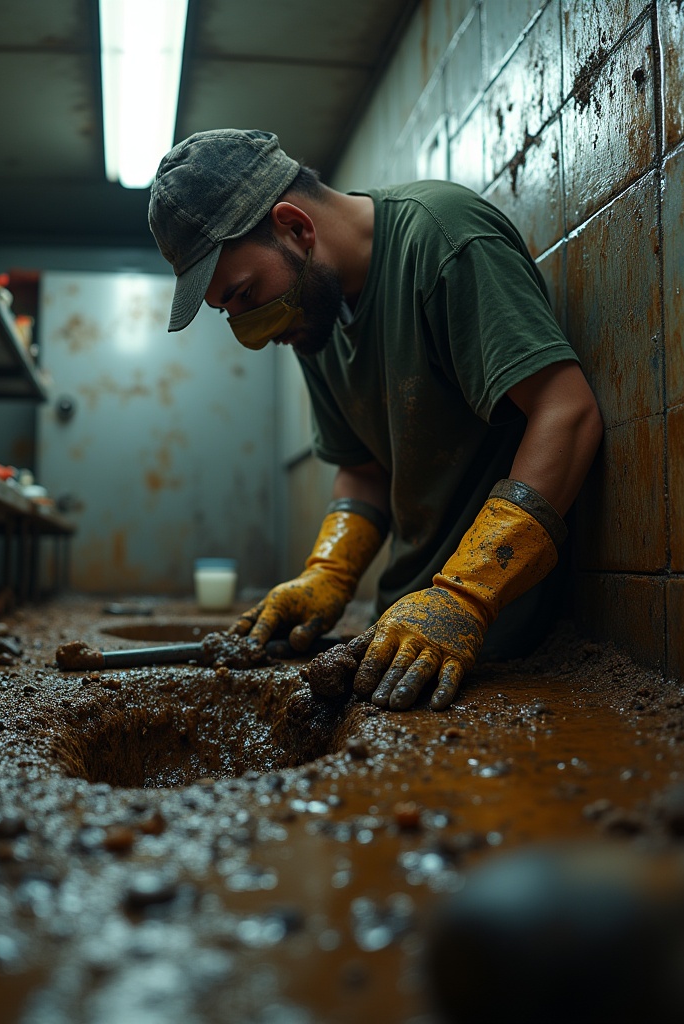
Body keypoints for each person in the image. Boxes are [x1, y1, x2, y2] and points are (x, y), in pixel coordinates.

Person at [148, 129, 603, 711]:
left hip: (511, 640)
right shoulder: (312, 315)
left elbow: (565, 411)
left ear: (295, 227)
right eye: (227, 311)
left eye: (244, 293)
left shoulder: (443, 239)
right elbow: (362, 472)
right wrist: (328, 574)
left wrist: (463, 597)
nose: (249, 330)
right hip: (405, 639)